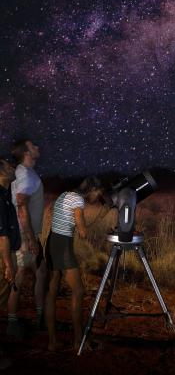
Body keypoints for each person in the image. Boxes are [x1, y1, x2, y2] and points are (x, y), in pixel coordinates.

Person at [45, 176, 104, 352]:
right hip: (63, 246)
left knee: (51, 293)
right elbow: (83, 231)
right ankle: (79, 341)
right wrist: (95, 221)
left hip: (52, 242)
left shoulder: (65, 195)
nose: (96, 198)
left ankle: (52, 342)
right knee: (78, 291)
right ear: (92, 189)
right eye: (98, 193)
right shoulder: (78, 199)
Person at [8, 139, 47, 338]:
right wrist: (30, 239)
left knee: (40, 272)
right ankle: (12, 323)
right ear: (26, 153)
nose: (38, 147)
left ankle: (40, 316)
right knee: (19, 275)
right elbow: (21, 206)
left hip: (26, 233)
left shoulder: (25, 173)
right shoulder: (25, 175)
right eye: (34, 146)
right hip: (25, 235)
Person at [0, 159, 21, 370]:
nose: (13, 167)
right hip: (2, 255)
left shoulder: (5, 193)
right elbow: (2, 235)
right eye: (8, 166)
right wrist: (8, 264)